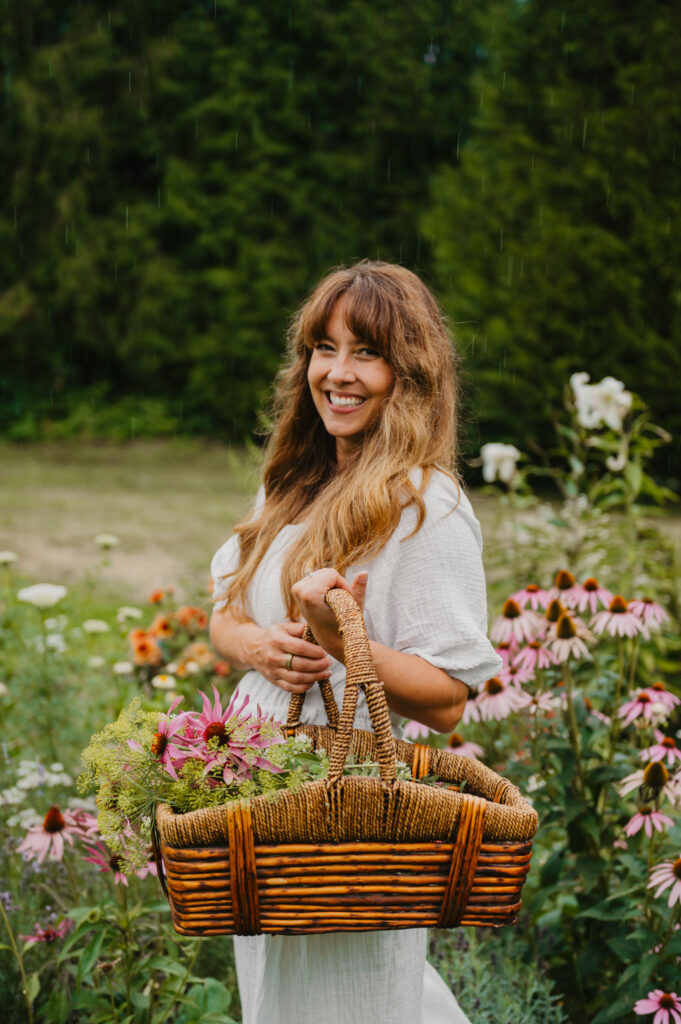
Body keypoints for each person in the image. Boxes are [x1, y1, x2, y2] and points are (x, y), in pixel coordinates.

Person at [209, 260, 501, 1024]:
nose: (336, 374)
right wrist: (257, 649)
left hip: (345, 810)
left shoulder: (422, 504)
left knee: (354, 1002)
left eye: (365, 352)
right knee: (277, 999)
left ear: (408, 374)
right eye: (322, 347)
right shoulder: (293, 482)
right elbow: (222, 615)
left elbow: (446, 700)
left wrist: (345, 640)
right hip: (264, 803)